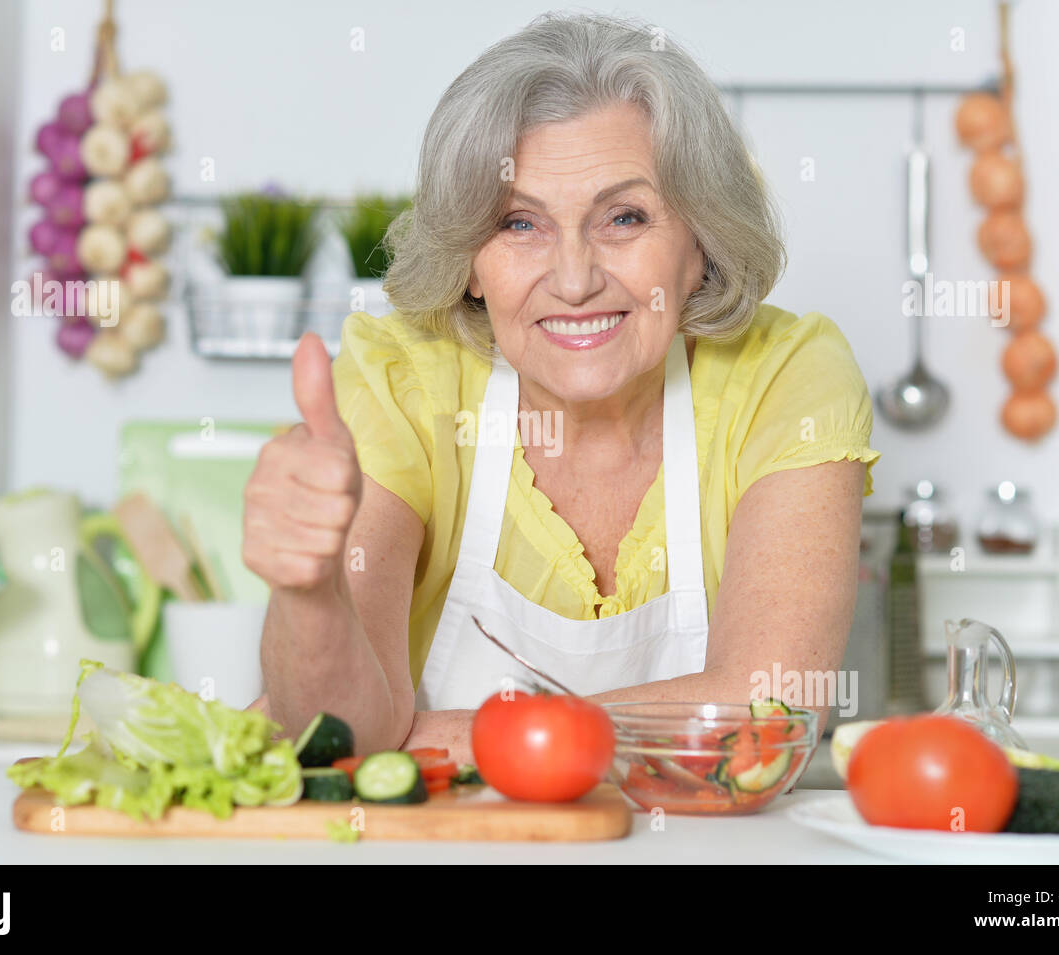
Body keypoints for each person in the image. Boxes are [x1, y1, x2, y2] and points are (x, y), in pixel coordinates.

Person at [242, 12, 880, 764]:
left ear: (700, 245)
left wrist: (447, 737)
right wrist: (309, 592)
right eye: (520, 224)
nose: (575, 280)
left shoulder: (784, 375)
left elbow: (767, 711)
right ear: (470, 264)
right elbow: (338, 735)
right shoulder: (407, 381)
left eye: (625, 217)